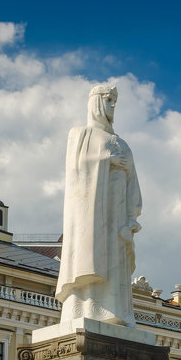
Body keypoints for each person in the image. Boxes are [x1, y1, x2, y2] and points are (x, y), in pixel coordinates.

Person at [58, 83, 142, 327]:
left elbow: (133, 181)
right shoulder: (80, 134)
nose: (113, 106)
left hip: (116, 218)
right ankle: (83, 309)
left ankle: (115, 312)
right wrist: (107, 159)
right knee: (90, 256)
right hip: (91, 215)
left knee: (115, 263)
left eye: (115, 101)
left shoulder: (122, 143)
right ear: (95, 102)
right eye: (108, 100)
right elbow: (75, 167)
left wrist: (130, 216)